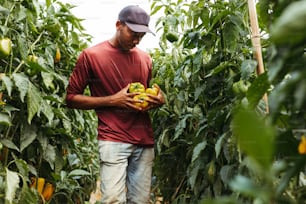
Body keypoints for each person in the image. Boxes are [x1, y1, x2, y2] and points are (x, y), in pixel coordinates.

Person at [65, 5, 165, 204]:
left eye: (141, 36)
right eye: (133, 34)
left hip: (144, 141)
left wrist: (159, 100)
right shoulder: (91, 56)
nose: (136, 40)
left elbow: (144, 96)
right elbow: (71, 98)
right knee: (112, 200)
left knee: (140, 201)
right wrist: (113, 100)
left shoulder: (145, 58)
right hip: (113, 138)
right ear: (119, 25)